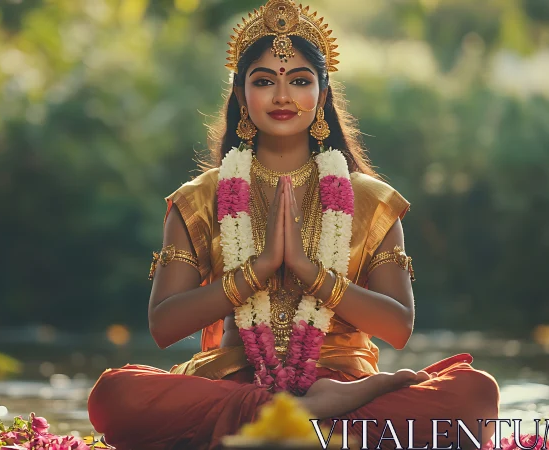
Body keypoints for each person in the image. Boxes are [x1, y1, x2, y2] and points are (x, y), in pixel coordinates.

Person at [87, 1, 500, 449]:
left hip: (341, 375)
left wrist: (312, 273)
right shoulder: (201, 197)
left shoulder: (367, 198)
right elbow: (164, 325)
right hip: (234, 378)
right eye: (264, 81)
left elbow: (398, 325)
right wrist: (257, 271)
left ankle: (288, 414)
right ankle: (313, 414)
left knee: (475, 394)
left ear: (322, 95)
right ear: (241, 95)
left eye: (299, 80)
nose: (282, 96)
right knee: (116, 395)